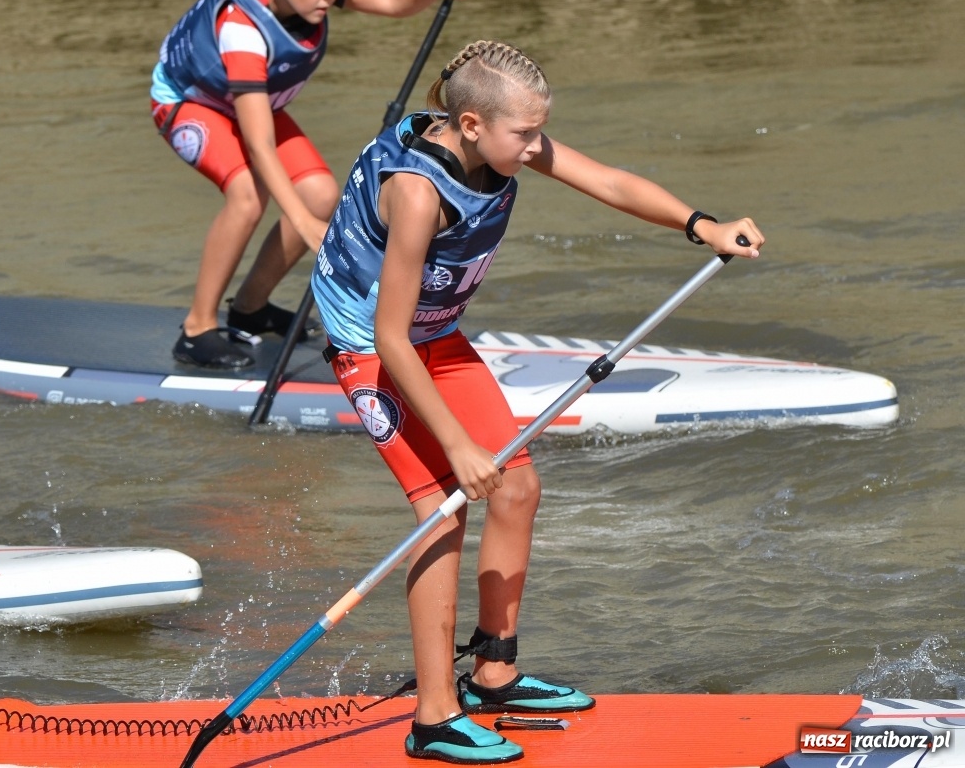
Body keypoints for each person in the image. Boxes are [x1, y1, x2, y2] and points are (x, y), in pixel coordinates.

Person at [310, 40, 763, 763]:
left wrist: (701, 225)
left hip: (435, 335)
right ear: (469, 125)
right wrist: (457, 444)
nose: (534, 147)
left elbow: (608, 180)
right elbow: (390, 338)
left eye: (537, 132)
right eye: (523, 134)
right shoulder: (419, 194)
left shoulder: (498, 140)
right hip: (372, 347)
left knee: (516, 487)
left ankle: (494, 673)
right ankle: (433, 718)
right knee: (441, 511)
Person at [151, 0, 473, 369]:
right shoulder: (243, 31)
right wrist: (301, 223)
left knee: (321, 193)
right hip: (188, 103)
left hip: (246, 102)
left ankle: (250, 309)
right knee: (247, 197)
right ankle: (196, 328)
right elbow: (260, 145)